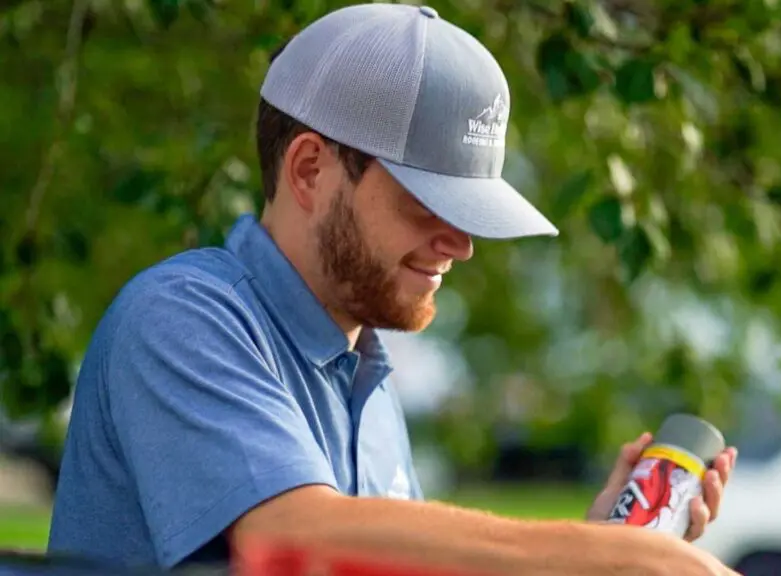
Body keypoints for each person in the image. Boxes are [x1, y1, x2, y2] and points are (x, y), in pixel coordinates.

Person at [48, 4, 740, 575]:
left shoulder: (369, 377)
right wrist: (603, 555)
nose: (462, 244)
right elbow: (294, 538)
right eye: (424, 202)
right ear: (312, 170)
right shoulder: (181, 318)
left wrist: (600, 538)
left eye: (469, 212)